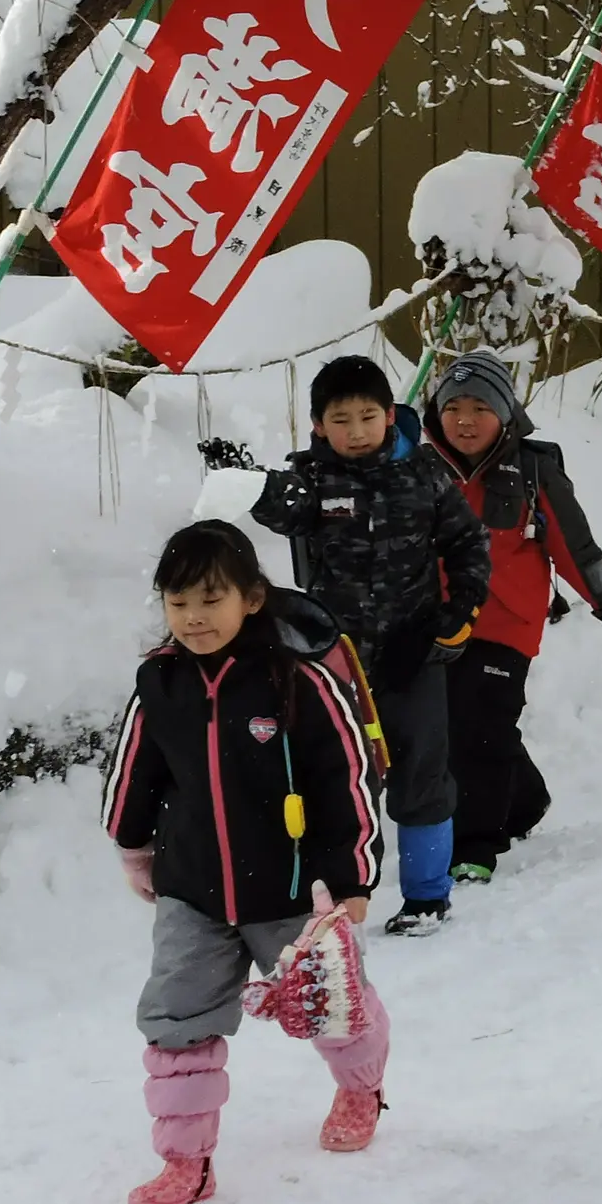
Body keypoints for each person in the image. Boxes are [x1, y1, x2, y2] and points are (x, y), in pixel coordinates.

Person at [105, 521, 389, 1204]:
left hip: (293, 890)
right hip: (193, 887)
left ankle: (361, 1086)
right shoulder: (160, 681)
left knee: (333, 1010)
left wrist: (351, 877)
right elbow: (136, 768)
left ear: (252, 599)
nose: (194, 618)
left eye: (210, 599)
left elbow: (346, 777)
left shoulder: (298, 681)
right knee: (176, 1020)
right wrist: (133, 844)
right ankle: (185, 1163)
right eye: (178, 603)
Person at [253, 355, 489, 935]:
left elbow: (468, 543)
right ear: (317, 426)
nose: (355, 432)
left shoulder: (424, 473)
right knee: (337, 776)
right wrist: (251, 482)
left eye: (367, 417)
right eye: (340, 420)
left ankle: (427, 897)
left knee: (422, 774)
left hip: (414, 652)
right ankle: (334, 901)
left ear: (390, 415)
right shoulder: (311, 479)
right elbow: (285, 514)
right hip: (335, 662)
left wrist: (456, 615)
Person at [421, 351, 602, 885]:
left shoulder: (532, 469)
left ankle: (476, 844)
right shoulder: (418, 469)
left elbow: (574, 544)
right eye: (453, 407)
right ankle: (524, 800)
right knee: (452, 724)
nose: (465, 420)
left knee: (482, 726)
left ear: (506, 412)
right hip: (441, 619)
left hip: (507, 622)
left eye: (480, 407)